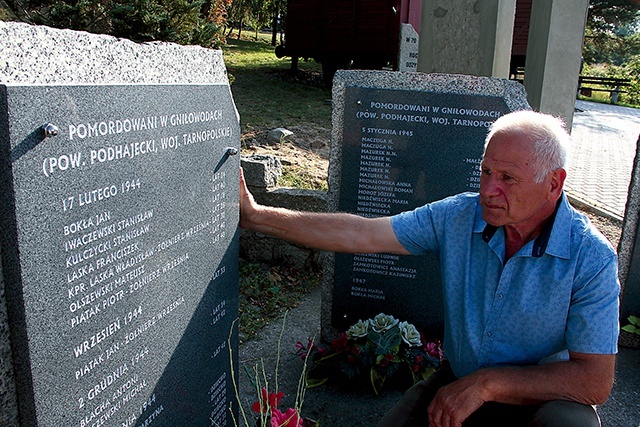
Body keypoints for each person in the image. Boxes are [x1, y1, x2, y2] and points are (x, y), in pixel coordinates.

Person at [239, 110, 620, 427]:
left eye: (507, 178)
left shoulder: (591, 258)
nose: (489, 190)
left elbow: (594, 381)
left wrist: (487, 384)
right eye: (486, 172)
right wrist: (258, 217)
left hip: (538, 398)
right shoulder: (458, 216)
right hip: (456, 380)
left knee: (573, 424)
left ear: (554, 184)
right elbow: (362, 234)